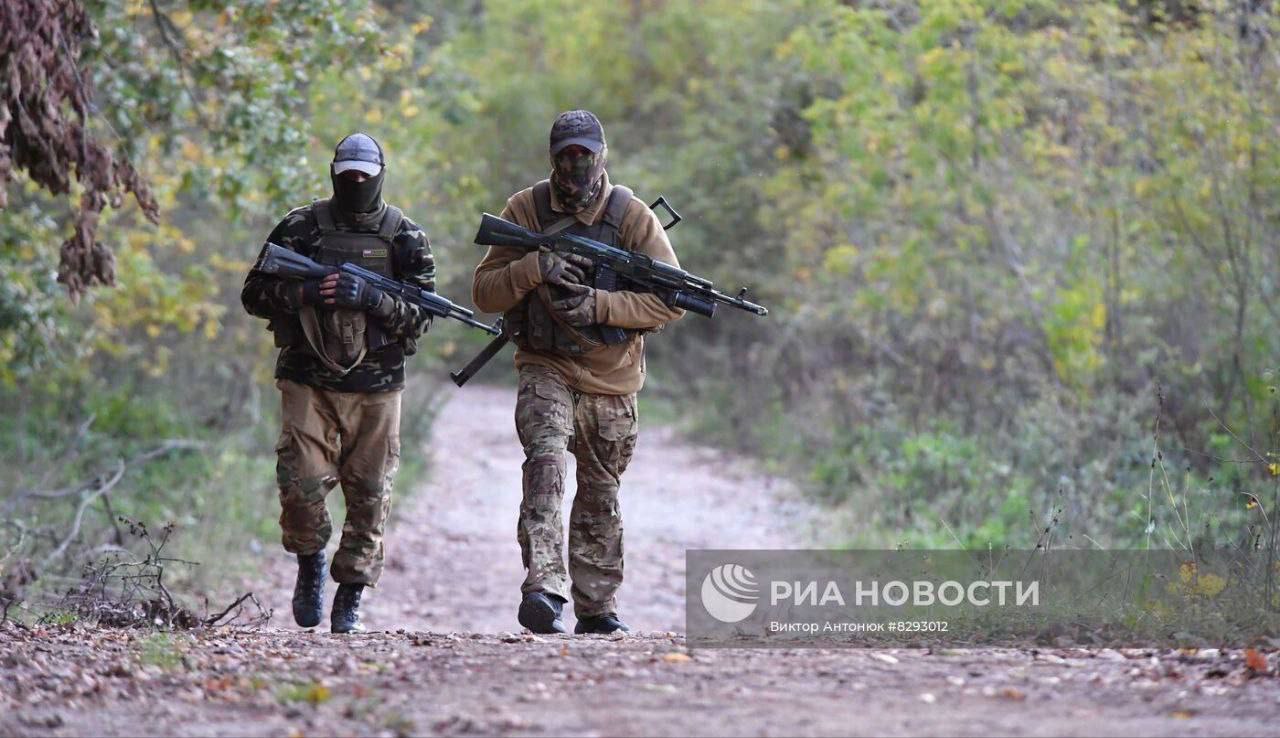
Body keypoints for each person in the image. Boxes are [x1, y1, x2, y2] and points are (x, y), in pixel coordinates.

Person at [472, 110, 684, 635]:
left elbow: (672, 301)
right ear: (552, 157)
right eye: (566, 155)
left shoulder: (631, 216)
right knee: (544, 466)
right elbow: (484, 293)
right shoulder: (525, 209)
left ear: (601, 155)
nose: (575, 165)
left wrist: (599, 305)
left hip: (612, 377)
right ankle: (544, 587)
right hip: (546, 364)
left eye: (584, 154)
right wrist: (534, 268)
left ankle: (596, 607)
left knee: (600, 494)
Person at [241, 132, 435, 633]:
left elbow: (423, 316)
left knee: (370, 493)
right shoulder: (301, 227)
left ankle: (350, 595)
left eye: (363, 176)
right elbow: (254, 293)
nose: (355, 183)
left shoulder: (405, 237)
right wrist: (307, 292)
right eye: (347, 175)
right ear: (333, 174)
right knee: (300, 483)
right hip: (308, 378)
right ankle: (310, 563)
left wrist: (372, 299)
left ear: (380, 176)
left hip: (378, 386)